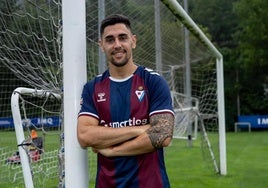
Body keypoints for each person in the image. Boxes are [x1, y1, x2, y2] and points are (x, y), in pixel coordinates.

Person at [77, 14, 174, 188]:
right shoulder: (92, 88)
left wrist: (113, 150)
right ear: (101, 46)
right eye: (109, 39)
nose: (117, 45)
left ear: (133, 41)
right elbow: (85, 135)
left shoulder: (153, 82)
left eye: (122, 38)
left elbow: (162, 135)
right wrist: (141, 129)